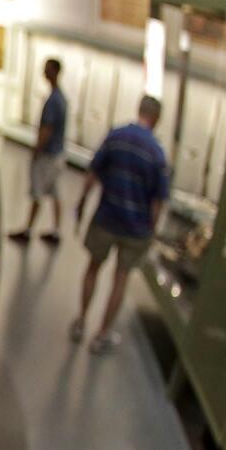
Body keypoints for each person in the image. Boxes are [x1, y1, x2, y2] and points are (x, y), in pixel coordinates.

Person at [71, 95, 169, 354]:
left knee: (93, 267)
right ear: (157, 119)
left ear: (139, 110)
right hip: (136, 228)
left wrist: (81, 203)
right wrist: (152, 230)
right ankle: (102, 334)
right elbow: (158, 201)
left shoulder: (117, 136)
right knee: (120, 278)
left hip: (107, 217)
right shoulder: (157, 152)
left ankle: (81, 321)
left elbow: (93, 173)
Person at [9, 58, 68, 244]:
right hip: (58, 155)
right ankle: (56, 231)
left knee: (37, 191)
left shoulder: (53, 101)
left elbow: (47, 129)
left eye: (46, 70)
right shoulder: (62, 98)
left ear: (54, 72)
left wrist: (37, 150)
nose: (43, 73)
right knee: (55, 192)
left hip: (48, 156)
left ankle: (27, 230)